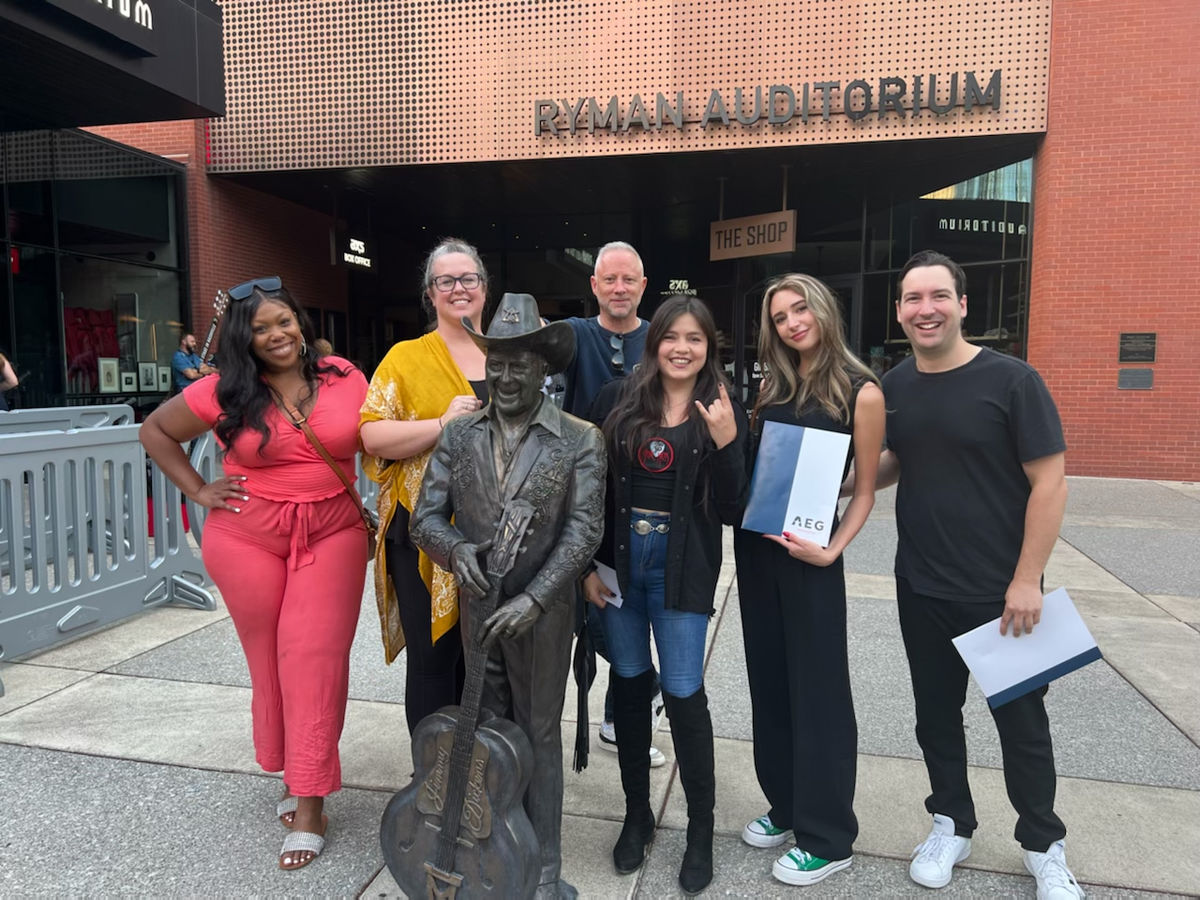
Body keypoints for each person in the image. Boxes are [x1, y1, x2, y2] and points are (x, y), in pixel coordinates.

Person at [139, 276, 369, 870]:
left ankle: (312, 797)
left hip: (332, 530)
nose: (276, 335)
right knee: (269, 659)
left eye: (284, 321)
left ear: (301, 321)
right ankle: (291, 770)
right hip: (246, 535)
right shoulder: (226, 389)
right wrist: (198, 489)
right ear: (244, 338)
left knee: (312, 655)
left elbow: (380, 434)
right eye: (261, 328)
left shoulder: (344, 375)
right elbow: (155, 431)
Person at [870, 250, 1081, 898]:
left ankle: (1043, 844)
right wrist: (821, 488)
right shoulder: (895, 385)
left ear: (963, 305)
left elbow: (1050, 482)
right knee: (935, 717)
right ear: (900, 310)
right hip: (920, 586)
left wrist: (1027, 578)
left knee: (1022, 727)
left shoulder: (1013, 381)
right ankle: (951, 823)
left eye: (938, 295)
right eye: (912, 298)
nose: (925, 308)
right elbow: (890, 465)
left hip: (1002, 593)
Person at [410, 292, 606, 900]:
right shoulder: (459, 431)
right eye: (498, 362)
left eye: (521, 363)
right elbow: (425, 518)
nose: (507, 375)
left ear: (543, 369)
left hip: (541, 617)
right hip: (477, 607)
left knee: (539, 735)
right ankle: (491, 853)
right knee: (490, 733)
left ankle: (543, 869)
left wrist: (538, 600)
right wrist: (455, 551)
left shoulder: (580, 439)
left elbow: (583, 532)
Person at [584, 296, 748, 894]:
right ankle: (637, 815)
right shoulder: (617, 401)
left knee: (682, 692)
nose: (682, 348)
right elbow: (588, 490)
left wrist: (728, 442)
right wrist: (585, 568)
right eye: (671, 336)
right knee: (628, 682)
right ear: (654, 342)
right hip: (619, 563)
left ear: (710, 347)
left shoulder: (725, 409)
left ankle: (699, 831)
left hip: (682, 569)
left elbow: (733, 508)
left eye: (695, 339)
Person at [733, 274, 884, 887]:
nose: (793, 322)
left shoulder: (861, 391)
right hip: (758, 551)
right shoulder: (771, 388)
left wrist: (834, 550)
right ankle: (787, 805)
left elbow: (867, 489)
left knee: (818, 689)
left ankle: (828, 835)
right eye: (780, 317)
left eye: (800, 310)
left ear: (822, 311)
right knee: (770, 680)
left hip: (812, 558)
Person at [359, 238, 487, 734]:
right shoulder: (406, 357)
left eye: (468, 279)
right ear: (430, 293)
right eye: (446, 281)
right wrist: (440, 425)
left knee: (485, 665)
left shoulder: (507, 352)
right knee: (435, 663)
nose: (459, 289)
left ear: (483, 287)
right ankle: (432, 780)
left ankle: (478, 773)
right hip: (423, 532)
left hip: (495, 531)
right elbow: (371, 435)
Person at [561, 240, 665, 768]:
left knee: (637, 612)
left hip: (648, 500)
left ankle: (618, 716)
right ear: (595, 285)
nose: (619, 288)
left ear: (643, 286)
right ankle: (626, 704)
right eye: (610, 279)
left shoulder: (661, 339)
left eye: (629, 279)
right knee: (598, 611)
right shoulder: (575, 337)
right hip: (585, 500)